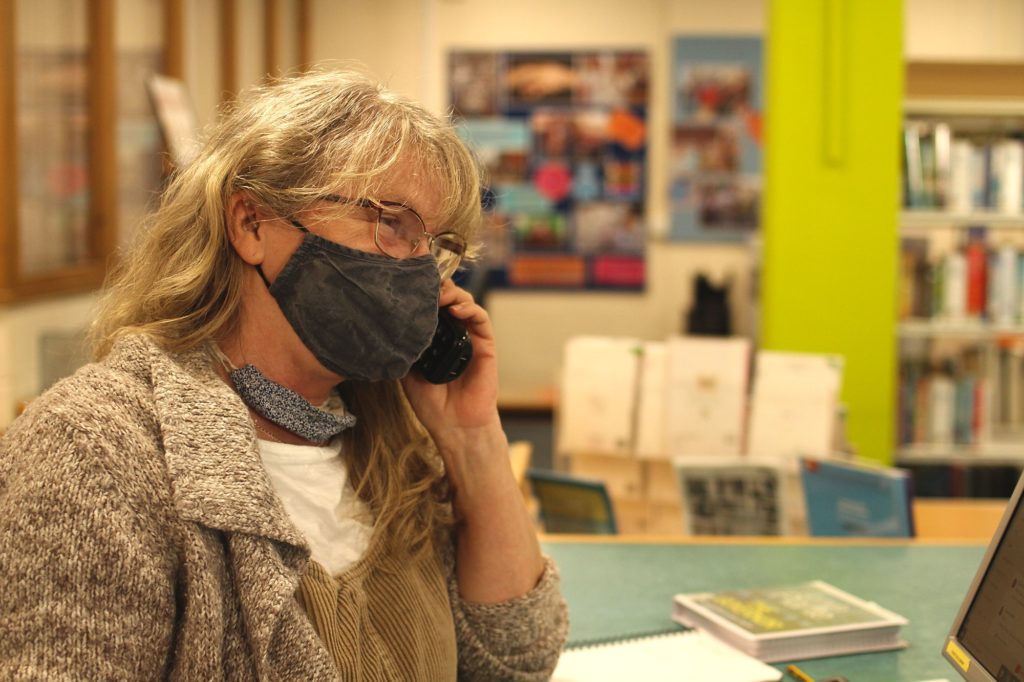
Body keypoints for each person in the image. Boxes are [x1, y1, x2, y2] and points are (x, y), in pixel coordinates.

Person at [0, 69, 568, 680]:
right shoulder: (95, 452)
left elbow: (517, 662)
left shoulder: (391, 428)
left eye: (434, 244)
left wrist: (472, 437)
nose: (423, 273)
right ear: (251, 224)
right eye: (392, 222)